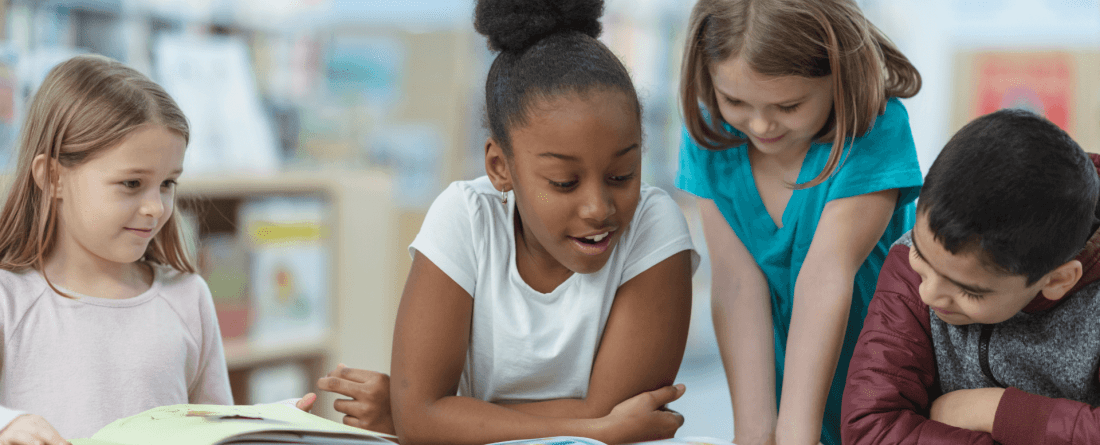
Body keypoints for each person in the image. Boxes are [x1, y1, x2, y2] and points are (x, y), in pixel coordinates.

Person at [319, 0, 699, 443]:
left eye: (622, 176)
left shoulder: (654, 227)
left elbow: (423, 416)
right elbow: (603, 423)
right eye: (563, 182)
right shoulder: (465, 217)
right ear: (500, 166)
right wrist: (422, 416)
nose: (599, 207)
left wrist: (435, 417)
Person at [0, 55, 314, 445]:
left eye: (167, 183)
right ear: (52, 177)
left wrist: (264, 429)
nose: (156, 207)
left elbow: (215, 429)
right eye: (132, 183)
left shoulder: (187, 297)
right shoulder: (9, 299)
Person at [675, 1, 924, 444]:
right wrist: (754, 432)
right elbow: (736, 285)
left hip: (880, 393)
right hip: (779, 382)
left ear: (838, 75)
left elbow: (825, 275)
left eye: (788, 105)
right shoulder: (711, 135)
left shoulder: (874, 130)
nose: (760, 123)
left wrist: (796, 435)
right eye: (734, 100)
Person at [841, 109, 1100, 444]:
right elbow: (870, 427)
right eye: (924, 259)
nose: (929, 294)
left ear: (1057, 280)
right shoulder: (909, 262)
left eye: (969, 291)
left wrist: (997, 412)